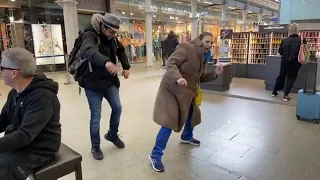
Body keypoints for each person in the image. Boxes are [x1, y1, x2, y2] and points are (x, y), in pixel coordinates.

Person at [149, 32, 223, 172]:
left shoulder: (202, 56)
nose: (209, 45)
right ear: (199, 41)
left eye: (211, 43)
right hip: (171, 89)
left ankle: (186, 136)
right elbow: (171, 63)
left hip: (186, 92)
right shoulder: (186, 47)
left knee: (193, 114)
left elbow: (199, 78)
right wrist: (178, 77)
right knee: (169, 122)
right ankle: (155, 155)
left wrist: (216, 74)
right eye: (207, 41)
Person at [0, 47, 61, 179]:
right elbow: (3, 120)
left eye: (2, 68)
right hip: (22, 142)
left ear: (14, 73)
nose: (1, 72)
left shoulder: (42, 97)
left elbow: (24, 135)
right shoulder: (15, 92)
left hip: (39, 149)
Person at [79, 13, 131, 160]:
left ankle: (112, 135)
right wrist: (106, 62)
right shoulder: (89, 35)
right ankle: (95, 146)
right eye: (111, 32)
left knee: (117, 108)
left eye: (115, 33)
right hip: (92, 84)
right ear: (102, 27)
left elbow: (120, 50)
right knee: (96, 116)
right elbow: (87, 51)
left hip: (109, 82)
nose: (113, 35)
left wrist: (126, 67)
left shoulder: (112, 37)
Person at [272, 23, 307, 101]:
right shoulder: (302, 39)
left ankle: (274, 92)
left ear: (289, 30)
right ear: (298, 30)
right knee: (291, 78)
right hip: (295, 63)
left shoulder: (284, 40)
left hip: (284, 62)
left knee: (281, 76)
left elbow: (280, 52)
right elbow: (305, 51)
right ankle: (285, 95)